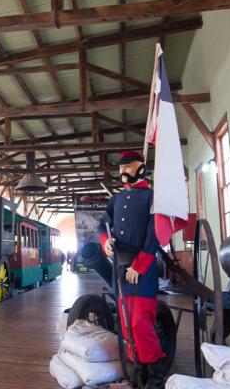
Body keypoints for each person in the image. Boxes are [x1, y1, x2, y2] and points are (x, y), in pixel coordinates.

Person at [97, 150, 166, 383]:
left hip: (141, 270)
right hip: (120, 270)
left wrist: (140, 265)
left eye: (127, 166)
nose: (122, 171)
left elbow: (154, 232)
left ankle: (155, 373)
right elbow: (102, 226)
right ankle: (138, 367)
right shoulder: (115, 200)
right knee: (126, 324)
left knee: (140, 323)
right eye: (120, 167)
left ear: (140, 167)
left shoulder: (152, 198)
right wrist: (106, 242)